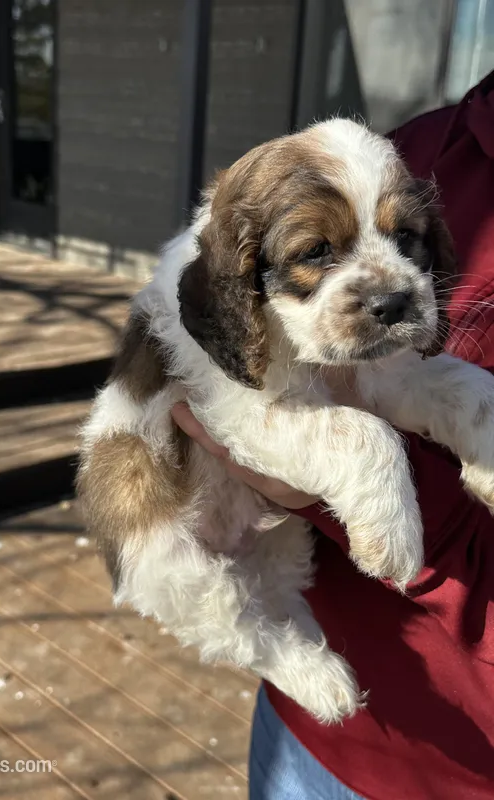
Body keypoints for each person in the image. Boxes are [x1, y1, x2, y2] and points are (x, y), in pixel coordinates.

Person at [172, 70, 494, 800]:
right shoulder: (419, 143)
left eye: (405, 239)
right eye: (319, 250)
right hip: (313, 725)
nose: (388, 282)